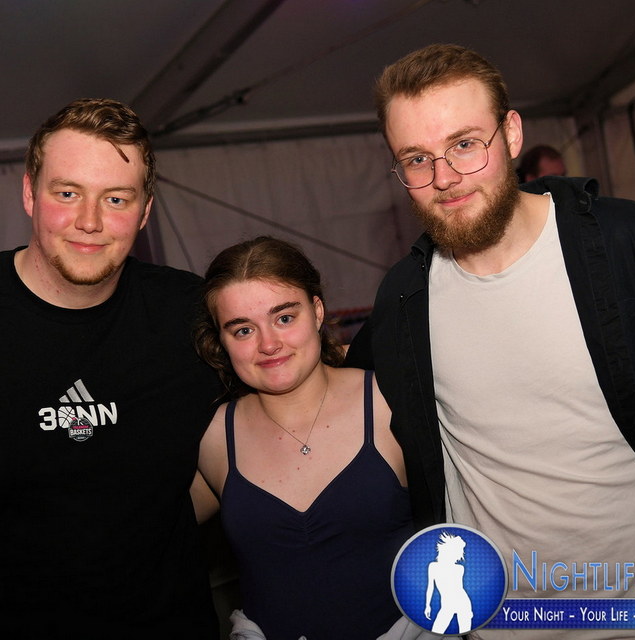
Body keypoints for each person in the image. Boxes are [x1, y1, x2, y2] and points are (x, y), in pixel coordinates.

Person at [345, 43, 635, 639]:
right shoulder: (404, 301)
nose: (444, 178)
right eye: (416, 159)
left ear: (511, 134)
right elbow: (346, 409)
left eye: (464, 144)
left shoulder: (624, 246)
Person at [1, 98, 222, 638]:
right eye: (67, 193)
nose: (89, 222)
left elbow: (264, 434)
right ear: (30, 194)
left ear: (144, 212)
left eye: (116, 198)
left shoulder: (193, 314)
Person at [192, 236, 416, 640]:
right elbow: (146, 532)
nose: (268, 345)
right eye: (243, 330)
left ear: (317, 311)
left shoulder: (388, 402)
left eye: (284, 318)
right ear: (222, 342)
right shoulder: (214, 437)